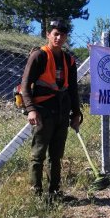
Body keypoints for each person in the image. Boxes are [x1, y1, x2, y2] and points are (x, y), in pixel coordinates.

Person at [20, 19, 82, 202]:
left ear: (66, 37)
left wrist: (76, 113)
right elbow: (25, 86)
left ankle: (54, 193)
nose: (58, 37)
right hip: (42, 111)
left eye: (62, 35)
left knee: (56, 155)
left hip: (62, 112)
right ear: (48, 35)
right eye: (55, 34)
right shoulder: (39, 56)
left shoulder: (69, 60)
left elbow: (72, 89)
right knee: (38, 154)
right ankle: (36, 195)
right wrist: (31, 109)